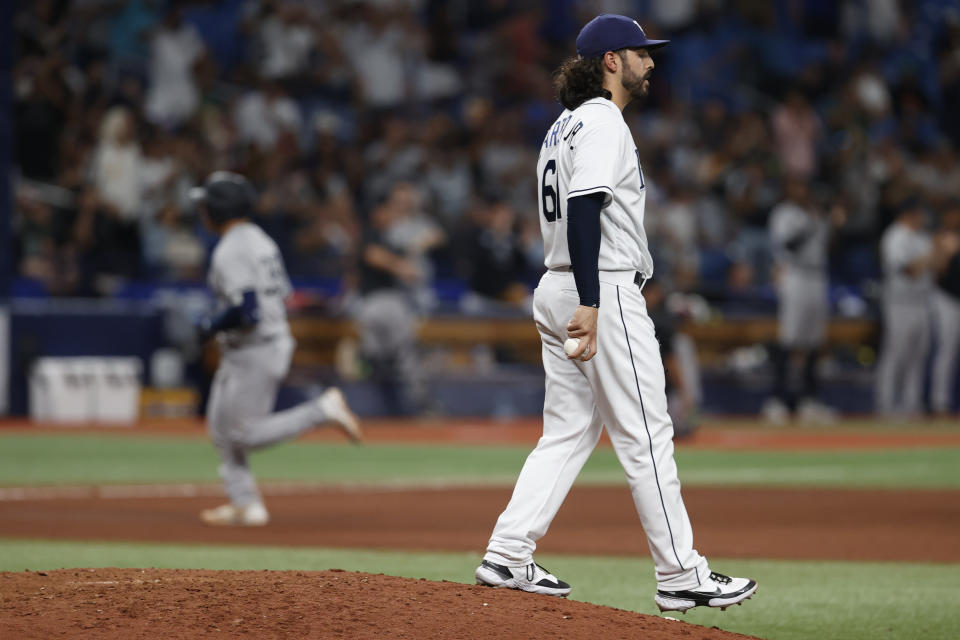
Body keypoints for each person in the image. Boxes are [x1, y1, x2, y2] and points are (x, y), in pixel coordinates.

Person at [474, 15, 757, 613]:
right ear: (610, 61)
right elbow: (584, 209)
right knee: (647, 433)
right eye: (639, 53)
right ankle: (681, 572)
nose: (650, 63)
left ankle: (507, 552)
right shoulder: (604, 122)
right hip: (594, 285)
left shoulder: (562, 127)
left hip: (556, 285)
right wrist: (593, 301)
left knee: (570, 429)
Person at [192, 171, 362, 527]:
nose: (201, 211)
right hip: (259, 344)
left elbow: (248, 310)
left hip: (257, 346)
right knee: (221, 427)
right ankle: (245, 504)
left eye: (205, 204)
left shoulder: (230, 249)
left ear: (219, 209)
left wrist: (210, 325)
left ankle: (321, 409)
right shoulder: (259, 239)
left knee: (241, 433)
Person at [762, 177, 842, 424]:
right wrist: (813, 222)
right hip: (794, 274)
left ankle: (808, 400)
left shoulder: (815, 213)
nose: (803, 191)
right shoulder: (784, 213)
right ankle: (778, 401)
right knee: (790, 338)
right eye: (797, 186)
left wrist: (831, 224)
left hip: (818, 276)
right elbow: (789, 244)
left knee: (813, 340)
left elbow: (828, 247)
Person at [875, 200, 934, 417]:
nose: (922, 218)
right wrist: (933, 255)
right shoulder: (895, 236)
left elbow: (934, 268)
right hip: (899, 302)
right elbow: (907, 270)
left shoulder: (922, 237)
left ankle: (912, 404)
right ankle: (886, 404)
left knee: (918, 355)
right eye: (918, 214)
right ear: (908, 214)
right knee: (896, 354)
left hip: (921, 301)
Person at [931, 204, 960, 415]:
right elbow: (936, 273)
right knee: (947, 351)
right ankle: (939, 403)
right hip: (947, 299)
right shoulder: (940, 238)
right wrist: (943, 252)